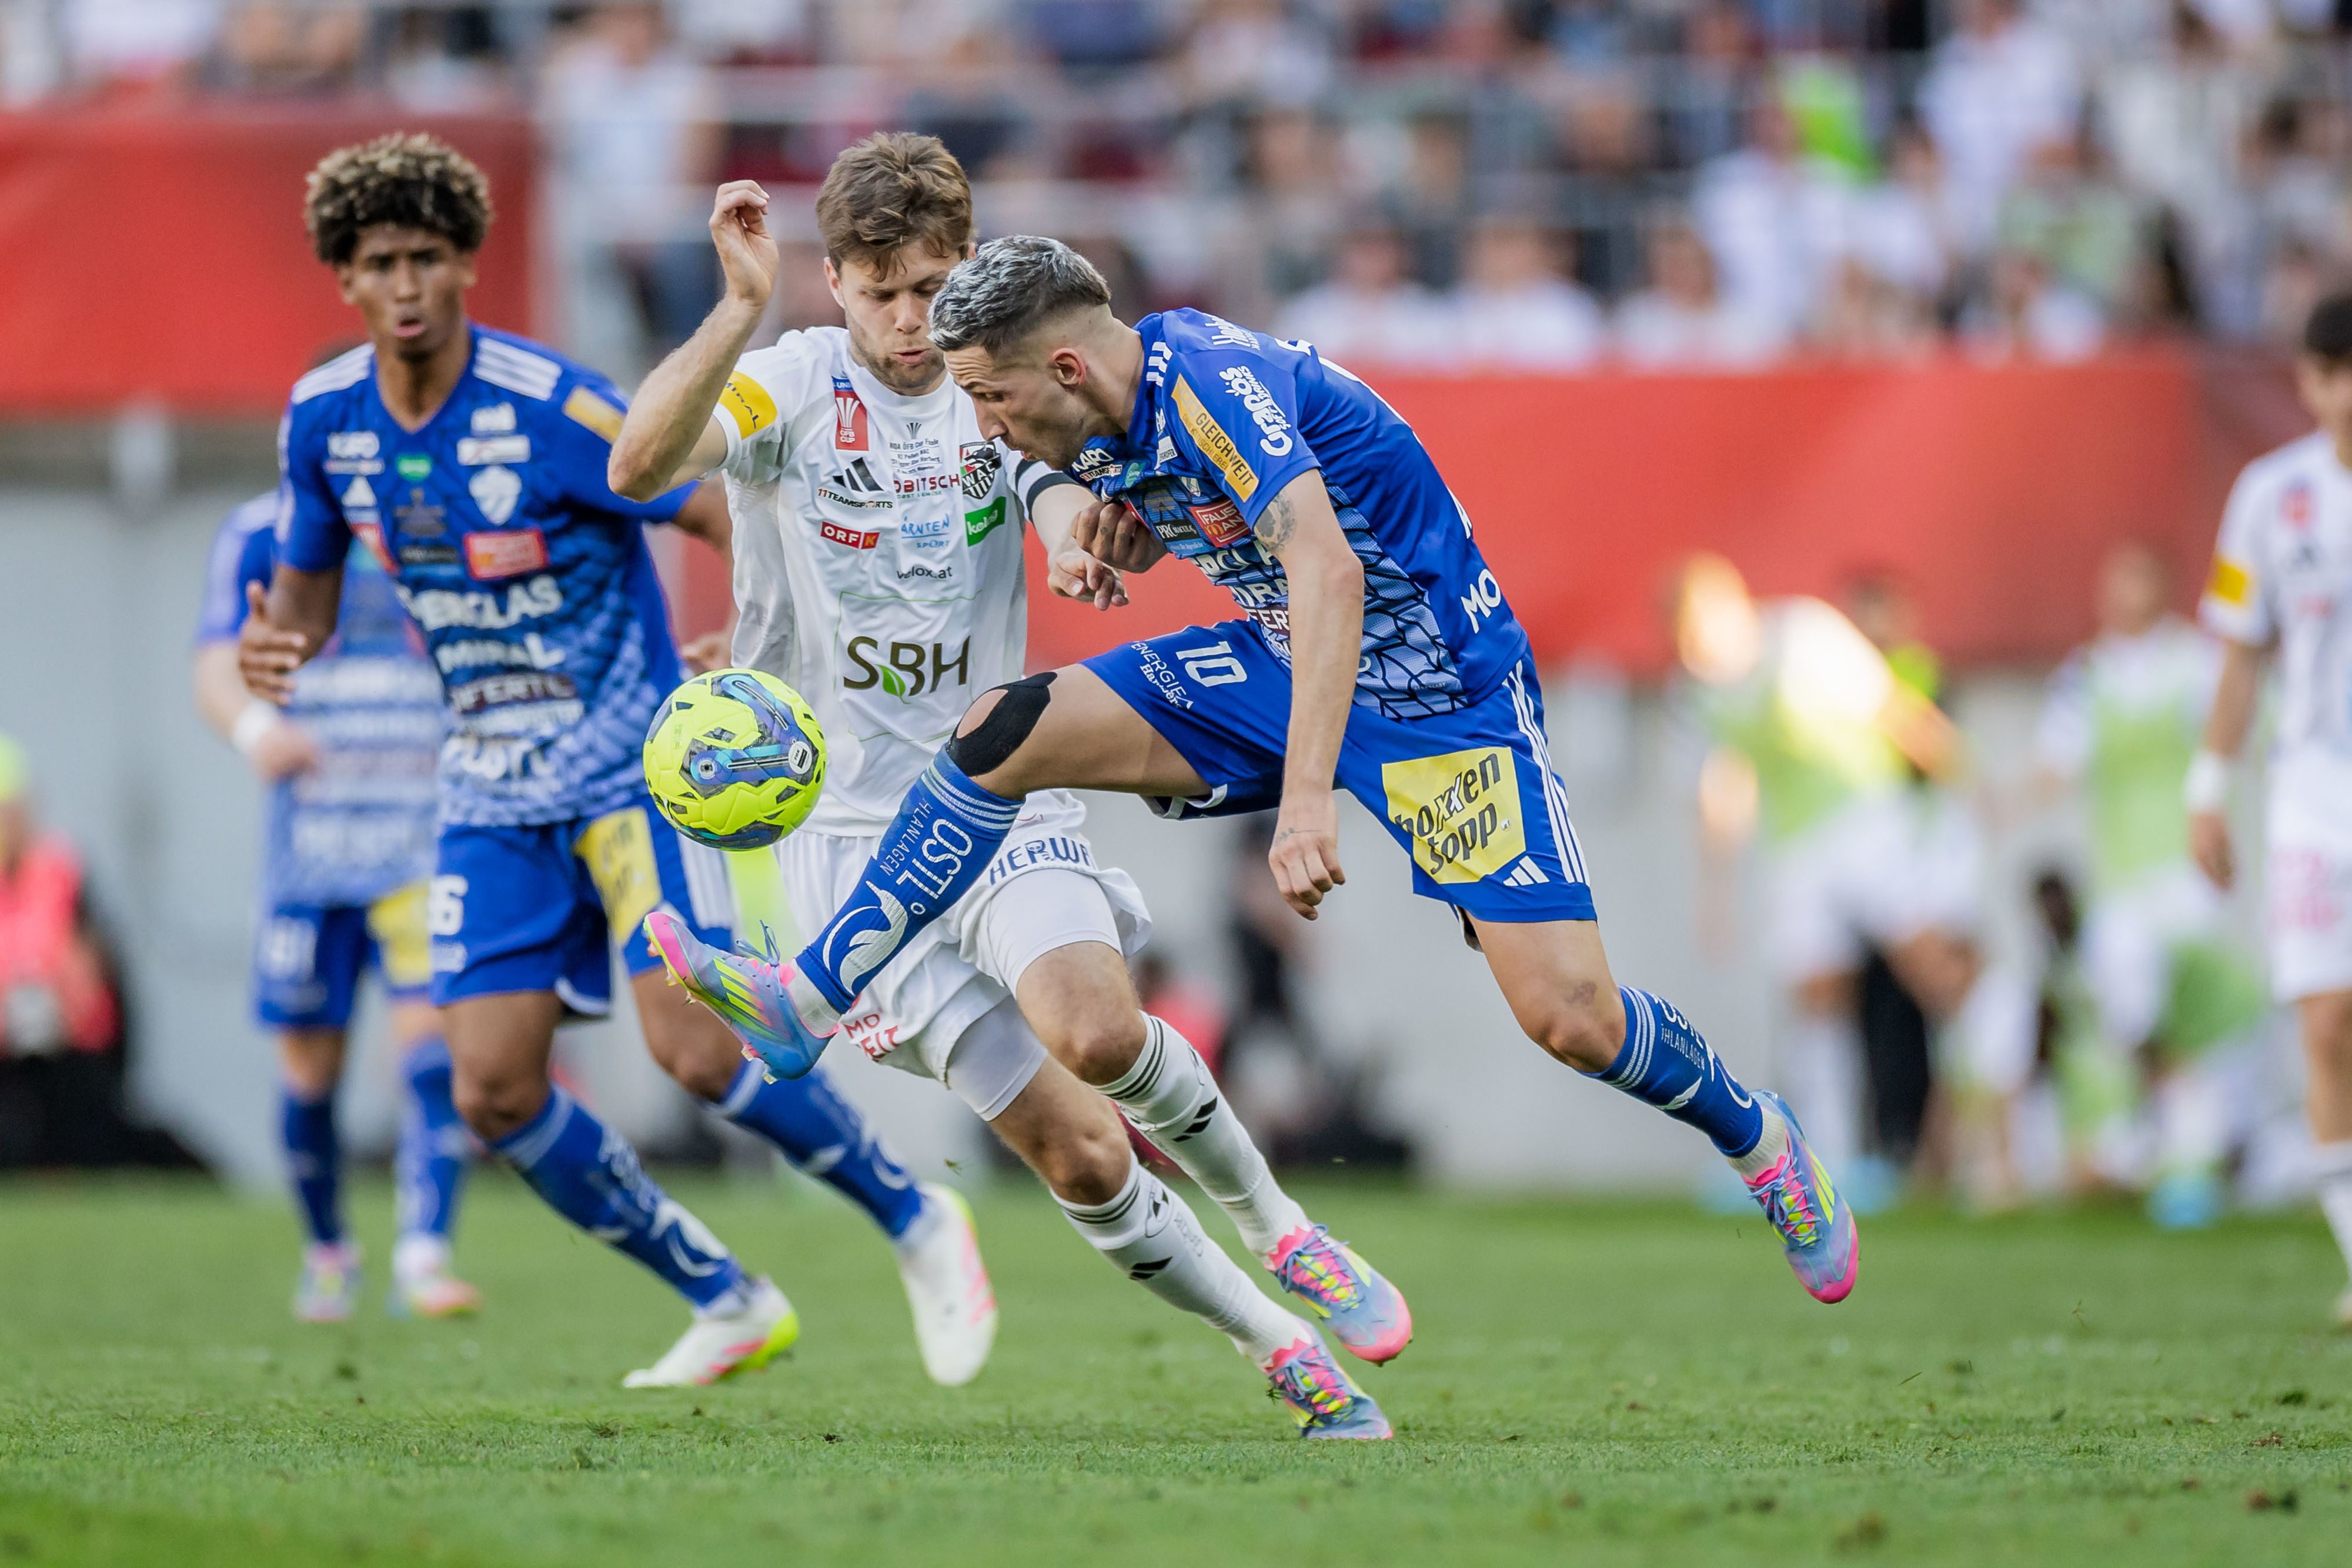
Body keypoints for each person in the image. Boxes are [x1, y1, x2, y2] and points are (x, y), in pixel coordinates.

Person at [648, 236, 1863, 1403]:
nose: (985, 427)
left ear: (1063, 368)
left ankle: (1757, 1137)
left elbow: (1326, 572)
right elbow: (1169, 518)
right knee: (1002, 732)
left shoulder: (1215, 387)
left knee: (1570, 1018)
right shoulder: (1102, 413)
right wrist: (1104, 526)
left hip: (1441, 700)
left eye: (994, 396)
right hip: (1280, 665)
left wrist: (1299, 806)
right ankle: (811, 989)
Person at [608, 135, 1409, 1441]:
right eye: (877, 291)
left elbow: (1047, 496)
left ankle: (1289, 1232)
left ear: (965, 268)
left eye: (930, 285)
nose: (908, 321)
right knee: (1078, 1149)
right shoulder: (787, 386)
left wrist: (1077, 554)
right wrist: (738, 304)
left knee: (1098, 1032)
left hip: (997, 794)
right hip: (839, 849)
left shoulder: (999, 390)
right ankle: (1285, 1355)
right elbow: (639, 466)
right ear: (832, 282)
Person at [235, 133, 994, 1388]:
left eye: (429, 257)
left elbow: (703, 494)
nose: (409, 284)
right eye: (381, 264)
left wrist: (744, 631)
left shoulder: (548, 403)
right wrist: (279, 646)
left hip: (628, 763)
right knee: (488, 1090)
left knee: (694, 1053)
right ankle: (725, 1293)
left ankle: (915, 1215)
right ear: (346, 281)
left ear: (468, 262)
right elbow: (307, 600)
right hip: (485, 782)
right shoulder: (324, 424)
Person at [193, 486, 479, 1320]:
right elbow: (211, 658)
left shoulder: (439, 517)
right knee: (311, 1074)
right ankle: (328, 1250)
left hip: (420, 843)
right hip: (310, 855)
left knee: (430, 1059)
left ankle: (425, 1257)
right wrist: (253, 730)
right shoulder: (256, 529)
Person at [1675, 556, 1980, 1201]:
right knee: (1815, 1001)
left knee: (1933, 972)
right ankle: (1831, 1166)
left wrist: (1967, 786)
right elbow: (1724, 784)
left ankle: (2000, 1135)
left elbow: (1893, 710)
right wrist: (1716, 891)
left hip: (1865, 821)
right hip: (1797, 849)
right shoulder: (1703, 689)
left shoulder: (1802, 636)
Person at [2190, 289, 2352, 1322]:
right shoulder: (2270, 494)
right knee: (2327, 1023)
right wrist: (2207, 787)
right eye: (2335, 374)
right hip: (2312, 796)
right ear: (2310, 381)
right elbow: (2242, 652)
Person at [2033, 542, 2267, 1226]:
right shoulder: (2086, 676)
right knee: (2137, 1014)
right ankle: (2175, 1154)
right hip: (2122, 881)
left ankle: (2176, 1153)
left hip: (2186, 875)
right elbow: (2056, 764)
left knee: (2186, 1010)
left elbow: (2235, 736)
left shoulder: (2193, 663)